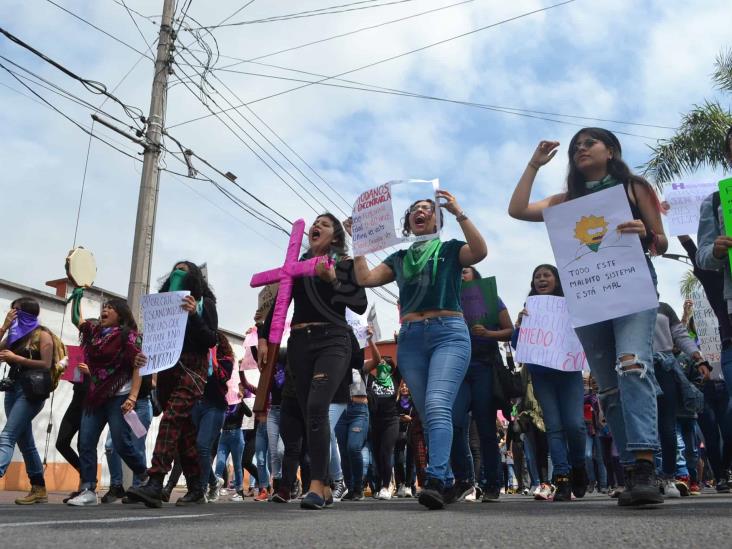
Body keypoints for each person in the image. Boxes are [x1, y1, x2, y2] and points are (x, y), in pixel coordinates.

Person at [509, 128, 668, 506]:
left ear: (610, 150)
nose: (581, 150)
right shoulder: (566, 201)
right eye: (576, 147)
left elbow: (660, 242)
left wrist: (646, 232)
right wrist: (534, 164)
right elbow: (517, 210)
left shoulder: (635, 188)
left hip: (632, 286)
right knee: (609, 387)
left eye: (589, 143)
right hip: (588, 294)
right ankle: (630, 470)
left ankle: (646, 463)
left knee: (633, 365)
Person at [350, 190, 487, 509]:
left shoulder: (451, 249)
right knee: (428, 412)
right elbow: (365, 278)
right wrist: (359, 242)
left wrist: (458, 211)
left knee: (438, 403)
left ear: (437, 220)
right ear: (409, 223)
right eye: (416, 209)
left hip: (448, 334)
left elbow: (479, 251)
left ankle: (436, 479)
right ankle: (452, 480)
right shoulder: (399, 258)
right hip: (411, 339)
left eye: (428, 208)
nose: (421, 211)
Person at [259, 213, 367, 510]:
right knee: (311, 414)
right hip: (298, 343)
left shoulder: (343, 264)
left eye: (325, 224)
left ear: (335, 236)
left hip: (333, 339)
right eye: (314, 224)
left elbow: (359, 303)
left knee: (318, 407)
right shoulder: (296, 269)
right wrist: (263, 338)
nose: (316, 227)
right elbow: (279, 306)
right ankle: (328, 486)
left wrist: (333, 280)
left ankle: (317, 484)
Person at [129, 261, 218, 508]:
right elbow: (154, 341)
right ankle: (197, 488)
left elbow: (211, 339)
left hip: (193, 368)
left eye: (185, 270)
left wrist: (194, 315)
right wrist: (142, 357)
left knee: (171, 418)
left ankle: (155, 480)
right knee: (184, 433)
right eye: (175, 269)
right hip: (168, 369)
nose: (179, 273)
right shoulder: (163, 307)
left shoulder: (204, 304)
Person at [514, 265, 587, 502]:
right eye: (537, 276)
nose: (542, 279)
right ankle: (562, 477)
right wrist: (519, 326)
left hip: (569, 374)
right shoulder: (529, 310)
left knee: (575, 425)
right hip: (542, 377)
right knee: (554, 427)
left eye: (547, 275)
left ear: (557, 280)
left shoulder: (572, 307)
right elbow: (518, 345)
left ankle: (578, 466)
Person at [67, 298, 148, 506]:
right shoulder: (94, 332)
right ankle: (87, 489)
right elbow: (77, 319)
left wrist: (132, 397)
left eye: (110, 308)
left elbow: (138, 365)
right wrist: (77, 293)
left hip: (119, 395)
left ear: (120, 314)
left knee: (121, 444)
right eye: (104, 307)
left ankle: (145, 475)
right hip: (95, 396)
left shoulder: (128, 336)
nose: (105, 310)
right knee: (85, 441)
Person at [452, 266, 513, 502]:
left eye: (464, 270)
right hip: (457, 369)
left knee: (486, 428)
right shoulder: (449, 300)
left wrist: (488, 333)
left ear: (476, 277)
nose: (460, 274)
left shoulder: (491, 299)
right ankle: (464, 480)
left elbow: (510, 331)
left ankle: (492, 484)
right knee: (454, 423)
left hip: (483, 368)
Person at [0, 298, 54, 505]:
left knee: (8, 434)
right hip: (13, 388)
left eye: (15, 311)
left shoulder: (42, 335)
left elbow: (46, 364)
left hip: (32, 391)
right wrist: (4, 327)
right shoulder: (14, 334)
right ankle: (39, 487)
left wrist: (18, 359)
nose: (11, 314)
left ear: (26, 313)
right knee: (25, 441)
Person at [337, 332, 372, 501]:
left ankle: (359, 485)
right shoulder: (337, 365)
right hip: (341, 410)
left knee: (353, 447)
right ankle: (351, 488)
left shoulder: (360, 365)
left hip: (359, 410)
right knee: (344, 451)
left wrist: (370, 340)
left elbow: (378, 360)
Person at [394, 380, 417, 498]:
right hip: (399, 432)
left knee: (411, 460)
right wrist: (400, 418)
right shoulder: (396, 401)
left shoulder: (415, 401)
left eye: (406, 386)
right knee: (399, 459)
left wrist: (410, 419)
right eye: (402, 386)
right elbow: (392, 415)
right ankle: (401, 483)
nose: (404, 388)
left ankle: (409, 485)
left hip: (411, 432)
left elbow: (418, 417)